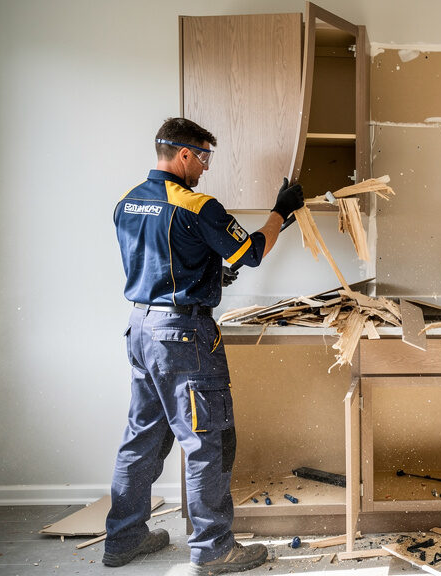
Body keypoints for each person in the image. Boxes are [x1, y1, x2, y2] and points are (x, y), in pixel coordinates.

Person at [104, 117, 304, 574]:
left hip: (141, 329)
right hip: (185, 337)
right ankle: (214, 550)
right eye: (205, 157)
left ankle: (124, 538)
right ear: (184, 154)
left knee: (142, 437)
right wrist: (280, 211)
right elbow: (252, 252)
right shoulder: (197, 204)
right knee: (205, 441)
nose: (206, 168)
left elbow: (162, 260)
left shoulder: (127, 202)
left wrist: (210, 272)